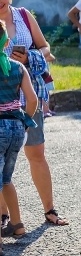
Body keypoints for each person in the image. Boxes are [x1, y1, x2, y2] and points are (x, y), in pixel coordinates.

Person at [0, 0, 68, 228]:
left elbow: (46, 48)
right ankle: (4, 215)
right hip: (1, 97)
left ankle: (49, 210)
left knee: (36, 153)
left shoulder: (24, 16)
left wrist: (29, 57)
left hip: (29, 94)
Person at [0, 19, 38, 244]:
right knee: (6, 179)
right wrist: (24, 122)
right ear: (6, 43)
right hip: (16, 126)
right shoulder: (18, 67)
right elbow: (31, 100)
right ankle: (18, 224)